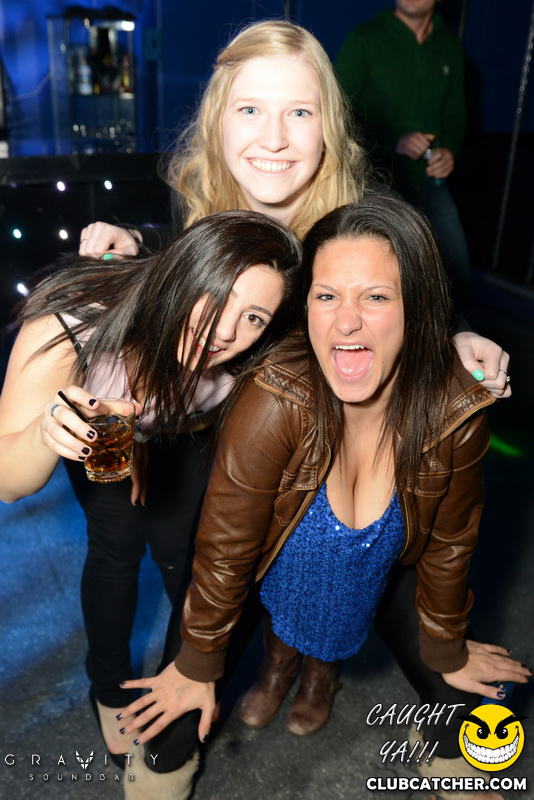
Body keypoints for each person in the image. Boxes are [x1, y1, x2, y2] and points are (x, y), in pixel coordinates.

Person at [118, 195, 527, 800]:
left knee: (474, 737)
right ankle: (279, 663)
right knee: (167, 737)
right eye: (327, 295)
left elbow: (450, 541)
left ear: (418, 306)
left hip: (379, 574)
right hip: (258, 569)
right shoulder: (274, 398)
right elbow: (226, 548)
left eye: (376, 296)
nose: (347, 321)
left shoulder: (456, 409)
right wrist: (198, 662)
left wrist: (448, 647)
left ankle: (318, 676)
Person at [0, 209, 302, 794]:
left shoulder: (255, 356)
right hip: (101, 429)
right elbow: (9, 483)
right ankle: (107, 685)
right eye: (216, 296)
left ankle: (183, 682)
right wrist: (45, 431)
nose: (225, 331)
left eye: (254, 316)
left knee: (180, 549)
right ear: (179, 273)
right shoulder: (74, 322)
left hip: (177, 432)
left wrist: (149, 438)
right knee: (116, 546)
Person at [335, 0, 473, 311]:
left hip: (430, 183)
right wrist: (392, 141)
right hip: (374, 183)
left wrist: (448, 152)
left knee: (459, 283)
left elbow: (455, 115)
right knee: (387, 284)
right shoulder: (364, 38)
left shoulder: (449, 47)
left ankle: (456, 338)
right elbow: (339, 115)